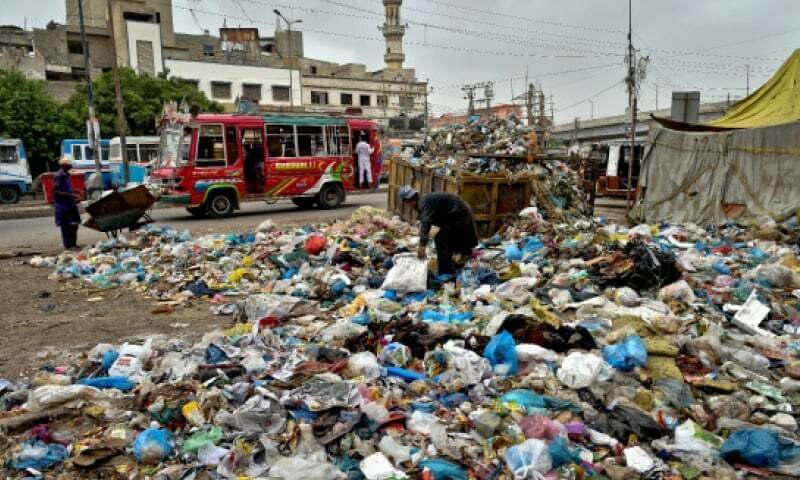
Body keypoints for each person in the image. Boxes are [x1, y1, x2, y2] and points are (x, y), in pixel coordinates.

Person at [398, 186, 479, 276]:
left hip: (459, 215)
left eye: (410, 200)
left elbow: (426, 222)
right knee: (450, 241)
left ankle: (446, 273)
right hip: (458, 214)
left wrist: (422, 246)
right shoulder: (423, 200)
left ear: (406, 201)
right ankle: (458, 265)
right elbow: (426, 219)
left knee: (441, 240)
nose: (410, 203)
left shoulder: (424, 202)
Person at [53, 155, 81, 250]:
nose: (71, 167)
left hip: (70, 204)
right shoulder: (58, 175)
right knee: (66, 227)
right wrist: (71, 195)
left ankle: (73, 243)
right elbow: (56, 191)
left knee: (75, 224)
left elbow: (68, 189)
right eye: (69, 165)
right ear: (64, 165)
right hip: (63, 205)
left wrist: (76, 191)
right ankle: (68, 245)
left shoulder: (67, 175)